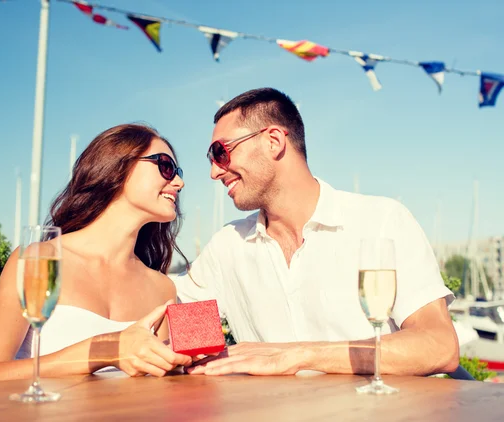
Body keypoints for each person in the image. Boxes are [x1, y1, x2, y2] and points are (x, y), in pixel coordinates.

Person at [175, 88, 459, 376]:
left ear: (273, 141)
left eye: (220, 153)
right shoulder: (227, 248)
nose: (214, 172)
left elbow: (438, 345)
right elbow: (183, 339)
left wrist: (299, 356)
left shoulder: (382, 221)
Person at [0, 124, 192, 383]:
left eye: (178, 172)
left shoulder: (162, 287)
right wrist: (105, 350)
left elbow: (163, 387)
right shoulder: (41, 260)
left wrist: (188, 363)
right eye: (166, 167)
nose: (179, 182)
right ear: (118, 166)